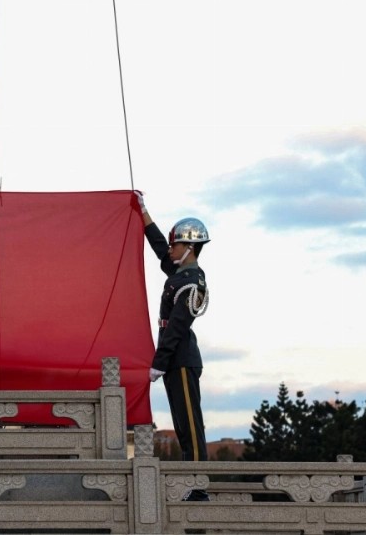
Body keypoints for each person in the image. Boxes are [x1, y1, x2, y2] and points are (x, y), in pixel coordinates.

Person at [136, 192, 210, 501]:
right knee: (181, 424)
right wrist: (143, 213)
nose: (170, 249)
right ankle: (192, 483)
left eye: (176, 245)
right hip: (173, 359)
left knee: (190, 424)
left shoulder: (192, 281)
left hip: (180, 358)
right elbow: (158, 248)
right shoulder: (179, 274)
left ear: (189, 248)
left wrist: (159, 361)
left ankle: (199, 487)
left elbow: (177, 327)